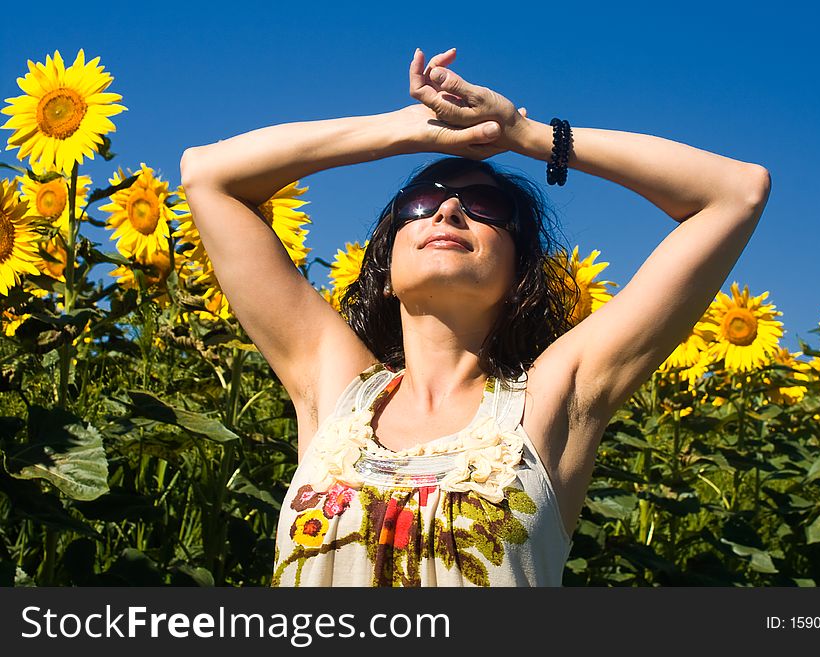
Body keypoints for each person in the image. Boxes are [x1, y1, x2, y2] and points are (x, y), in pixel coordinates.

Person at [179, 46, 771, 587]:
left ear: (519, 280)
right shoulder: (334, 387)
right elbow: (209, 177)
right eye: (422, 201)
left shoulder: (552, 399)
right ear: (383, 271)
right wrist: (407, 131)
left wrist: (524, 134)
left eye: (486, 208)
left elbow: (735, 191)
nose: (451, 208)